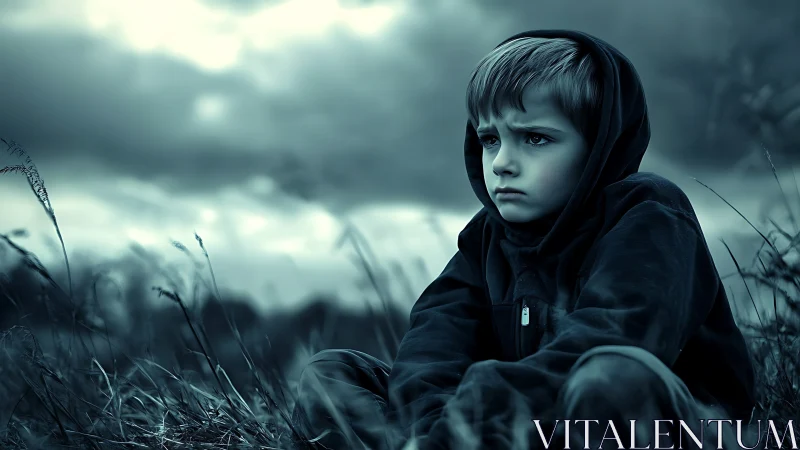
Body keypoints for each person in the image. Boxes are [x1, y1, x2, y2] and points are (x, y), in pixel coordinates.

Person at [290, 29, 757, 450]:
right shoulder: (486, 237)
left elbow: (611, 339)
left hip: (650, 425)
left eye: (534, 139)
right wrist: (435, 432)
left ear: (598, 147)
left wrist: (475, 413)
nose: (501, 164)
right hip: (514, 428)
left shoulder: (650, 214)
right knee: (330, 375)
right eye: (490, 139)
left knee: (610, 375)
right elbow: (433, 347)